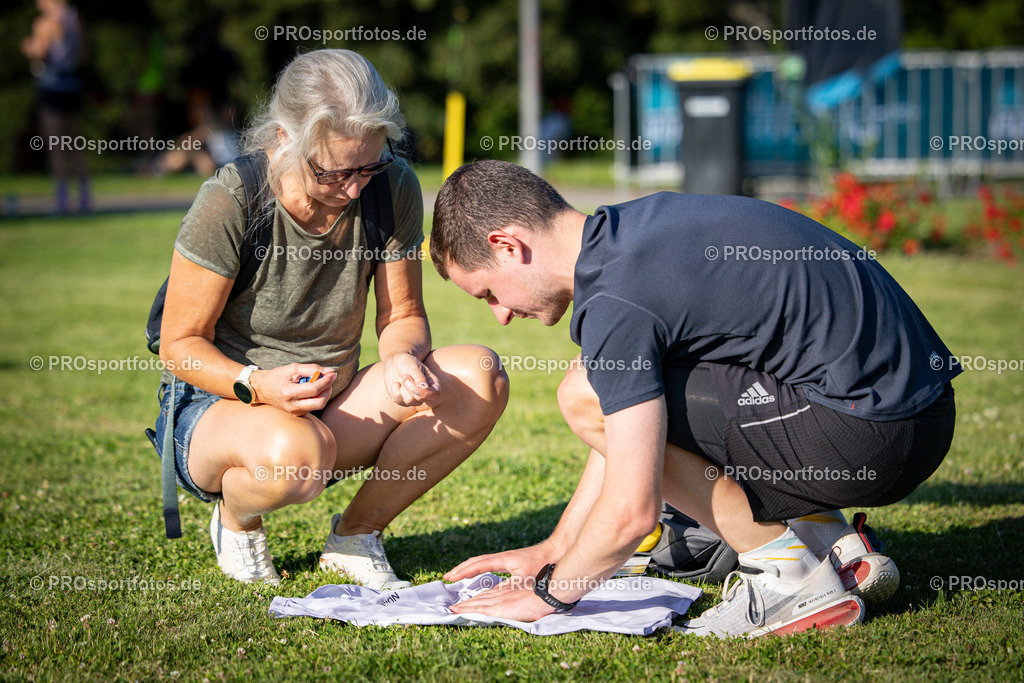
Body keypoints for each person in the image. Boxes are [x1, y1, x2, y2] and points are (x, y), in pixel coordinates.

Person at [430, 160, 959, 637]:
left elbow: (632, 511)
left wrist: (549, 592)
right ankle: (827, 543)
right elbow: (628, 421)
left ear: (507, 245)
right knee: (602, 380)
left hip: (874, 437)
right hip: (916, 415)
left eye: (489, 294)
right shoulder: (630, 232)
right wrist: (556, 549)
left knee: (585, 392)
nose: (499, 314)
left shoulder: (615, 299)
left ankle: (789, 577)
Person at [154, 50, 508, 588]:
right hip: (221, 407)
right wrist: (257, 385)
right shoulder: (233, 198)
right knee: (298, 451)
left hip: (329, 409)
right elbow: (179, 345)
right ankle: (237, 520)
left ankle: (355, 537)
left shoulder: (393, 187)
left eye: (370, 165)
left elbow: (404, 315)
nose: (354, 187)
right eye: (333, 171)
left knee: (478, 376)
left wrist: (402, 359)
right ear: (282, 139)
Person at [21, 0, 90, 213]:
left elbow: (40, 52)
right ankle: (85, 196)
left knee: (57, 145)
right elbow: (83, 54)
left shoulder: (44, 23)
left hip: (53, 87)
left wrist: (28, 47)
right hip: (73, 85)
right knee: (75, 144)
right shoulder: (74, 19)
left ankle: (62, 200)